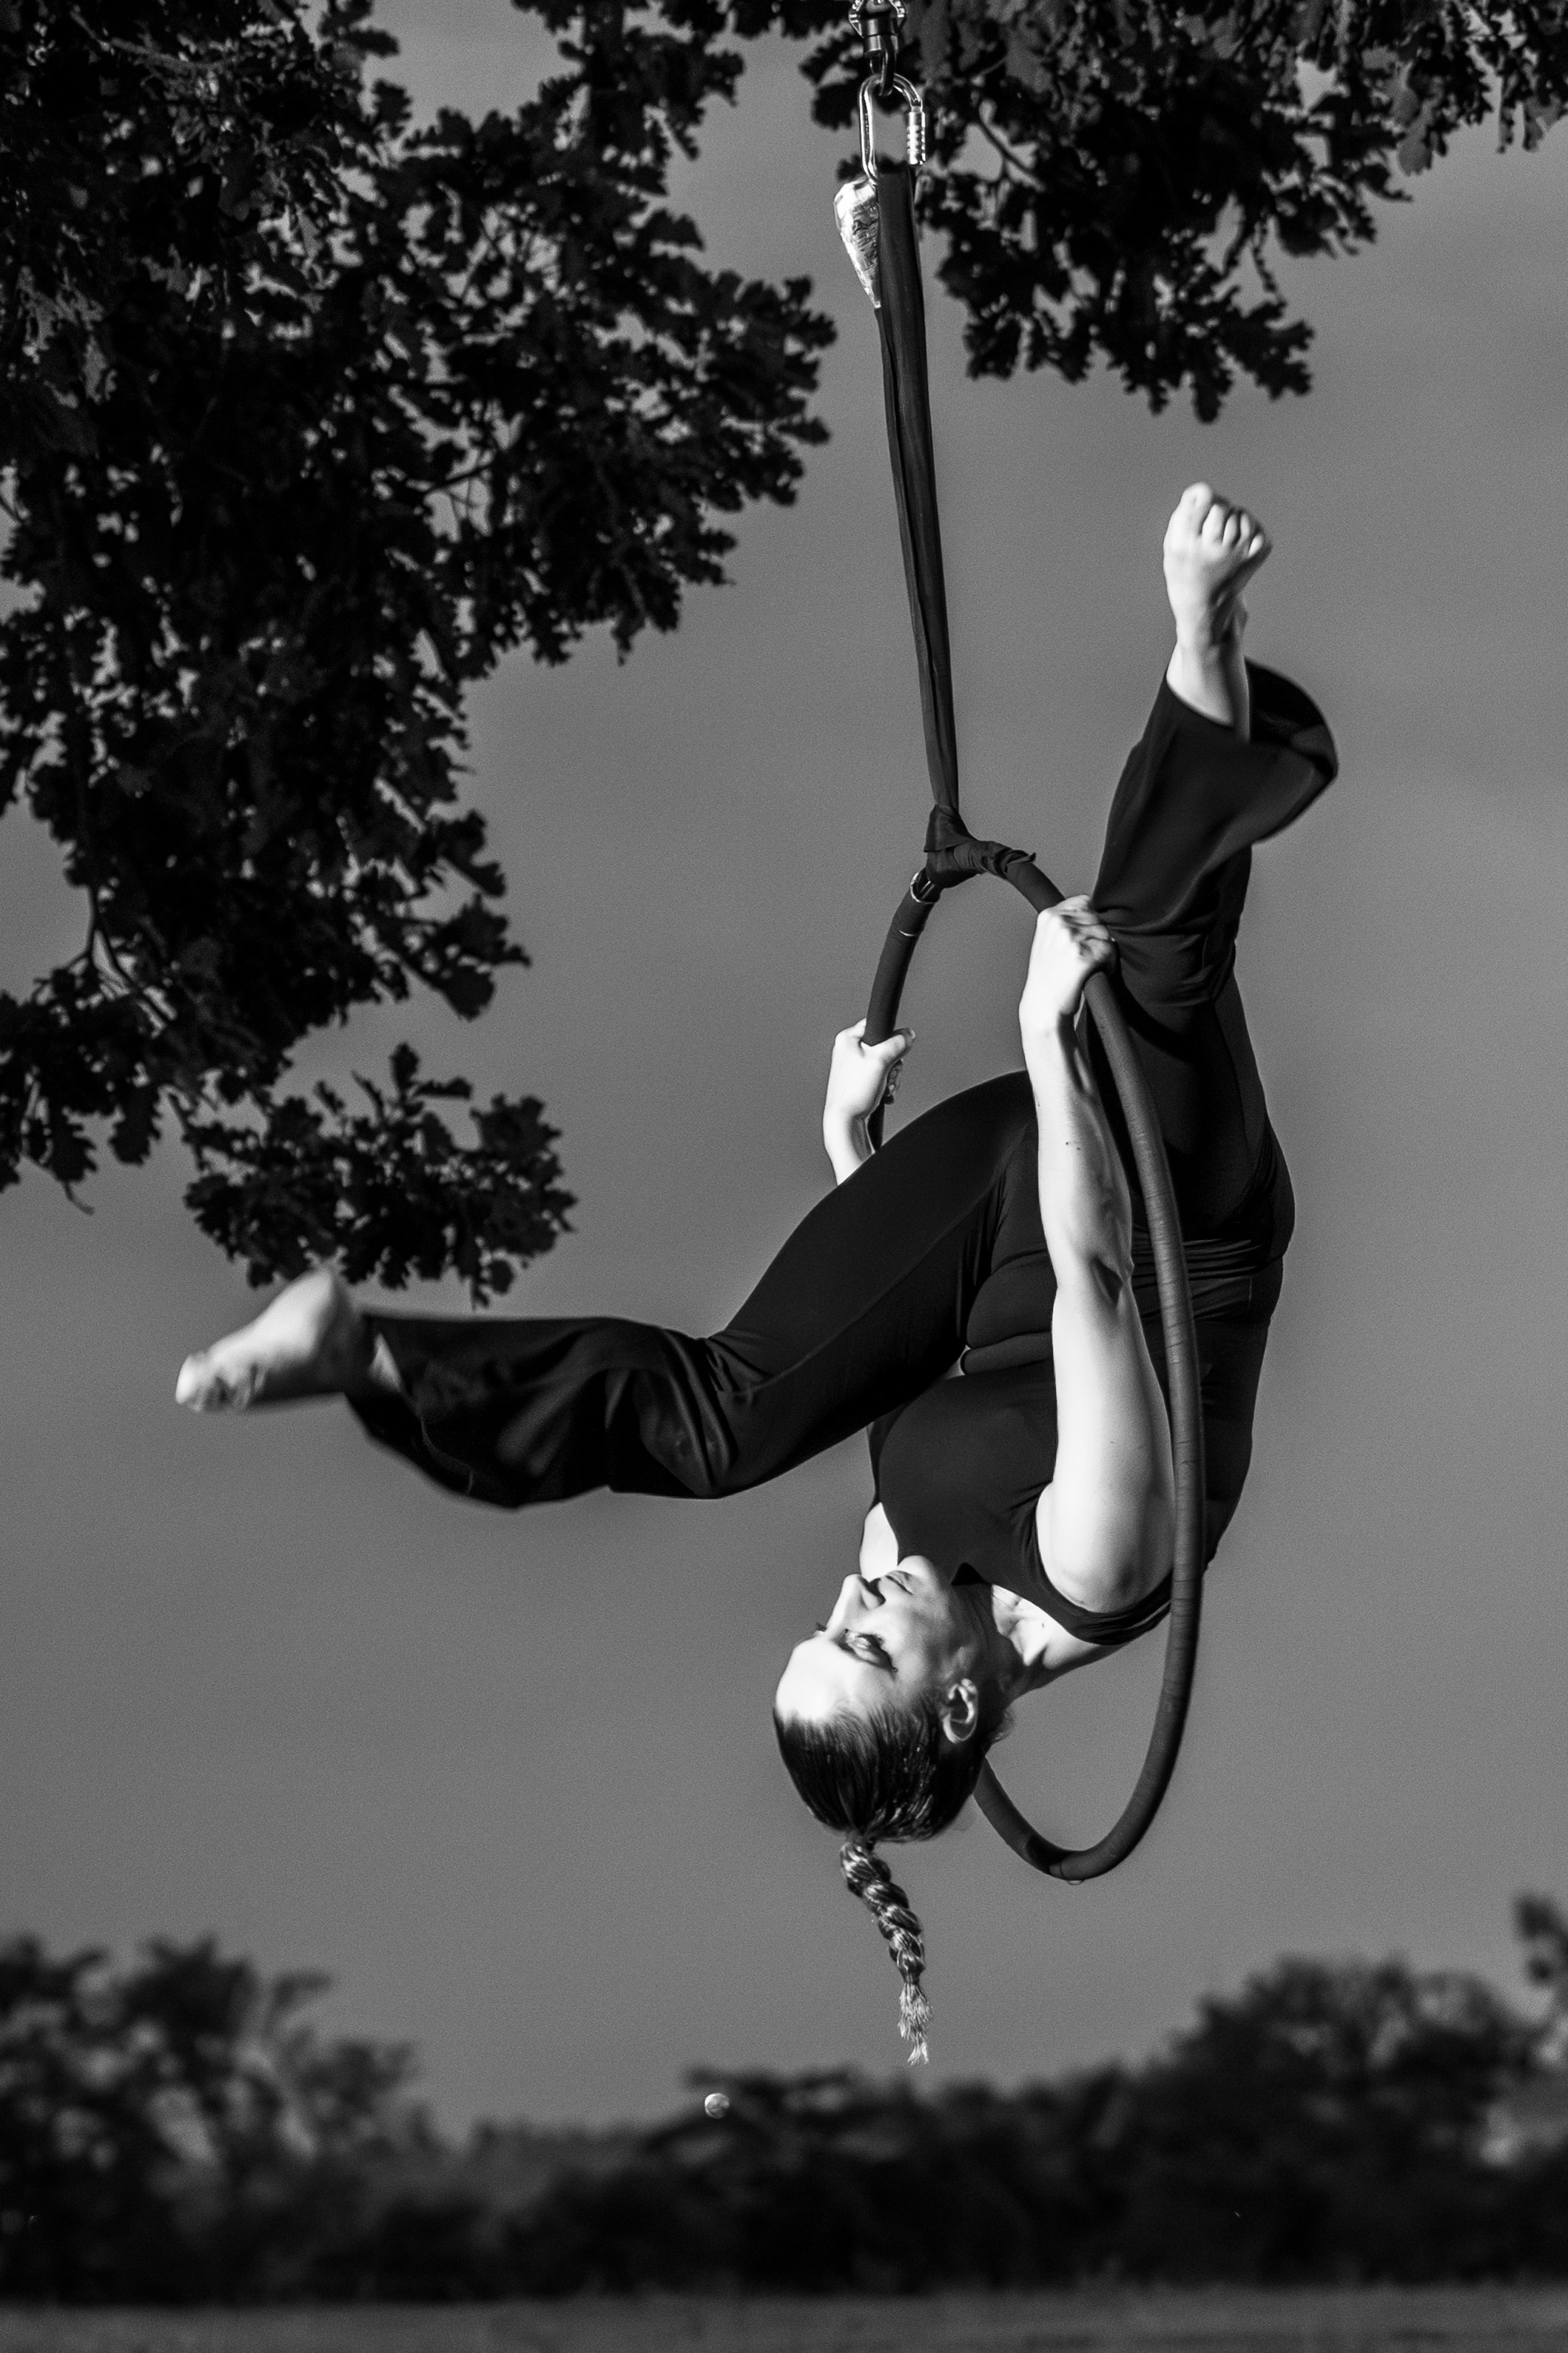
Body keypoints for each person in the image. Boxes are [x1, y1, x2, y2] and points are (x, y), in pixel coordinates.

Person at [177, 485, 1336, 2061]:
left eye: (825, 1616)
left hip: (994, 1217)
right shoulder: (1108, 1567)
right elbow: (1089, 1287)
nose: (853, 1587)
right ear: (952, 1710)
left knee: (722, 1427)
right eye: (862, 1637)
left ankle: (374, 1358)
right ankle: (1205, 656)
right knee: (1144, 966)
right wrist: (1042, 1053)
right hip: (1160, 1213)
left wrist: (857, 1159)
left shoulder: (904, 1555)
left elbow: (903, 1351)